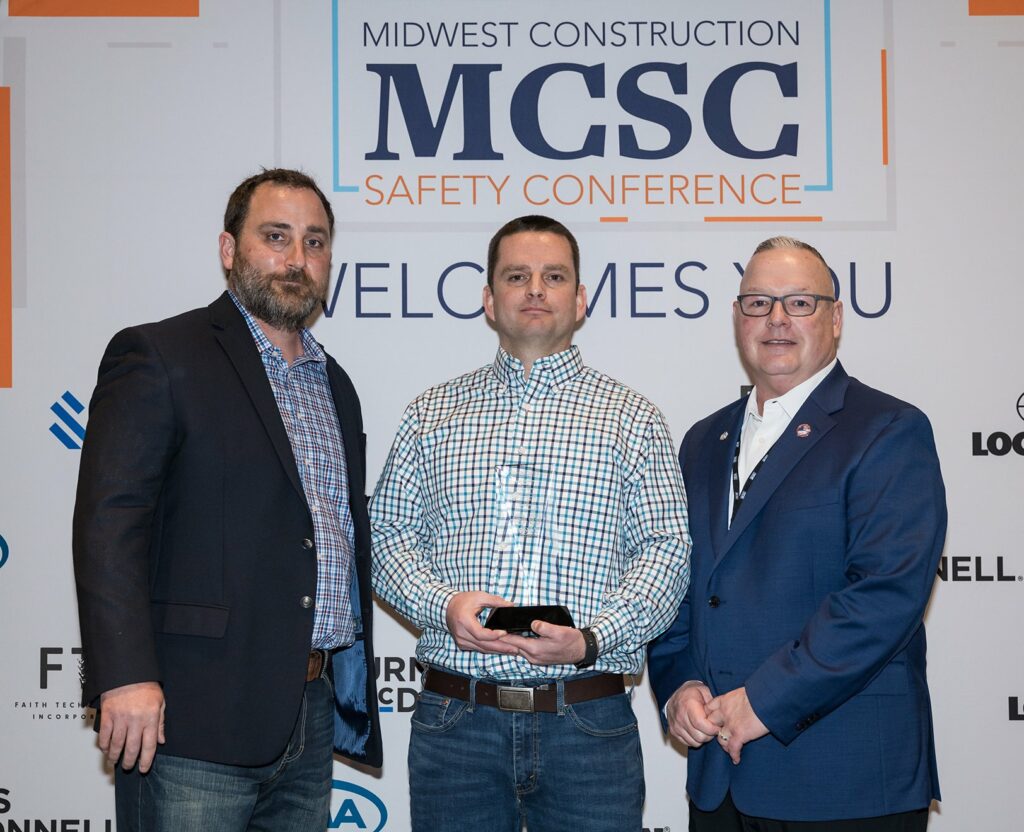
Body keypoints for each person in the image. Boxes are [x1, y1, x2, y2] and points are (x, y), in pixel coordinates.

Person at [73, 168, 381, 830]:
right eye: (277, 236)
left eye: (315, 242)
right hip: (192, 714)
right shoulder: (159, 354)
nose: (297, 260)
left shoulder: (338, 385)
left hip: (309, 708)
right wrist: (123, 675)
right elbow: (110, 524)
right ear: (228, 249)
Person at [371, 215, 691, 832]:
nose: (536, 290)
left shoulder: (633, 419)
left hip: (586, 721)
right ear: (490, 300)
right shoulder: (430, 414)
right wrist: (444, 605)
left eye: (554, 276)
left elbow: (666, 550)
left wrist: (591, 639)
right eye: (517, 276)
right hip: (455, 723)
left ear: (581, 298)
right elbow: (385, 537)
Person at [648, 236, 945, 831]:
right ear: (737, 319)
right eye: (758, 303)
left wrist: (761, 702)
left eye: (800, 303)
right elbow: (677, 583)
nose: (777, 319)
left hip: (843, 780)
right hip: (719, 781)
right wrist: (679, 687)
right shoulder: (703, 441)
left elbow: (883, 597)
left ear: (835, 318)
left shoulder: (888, 429)